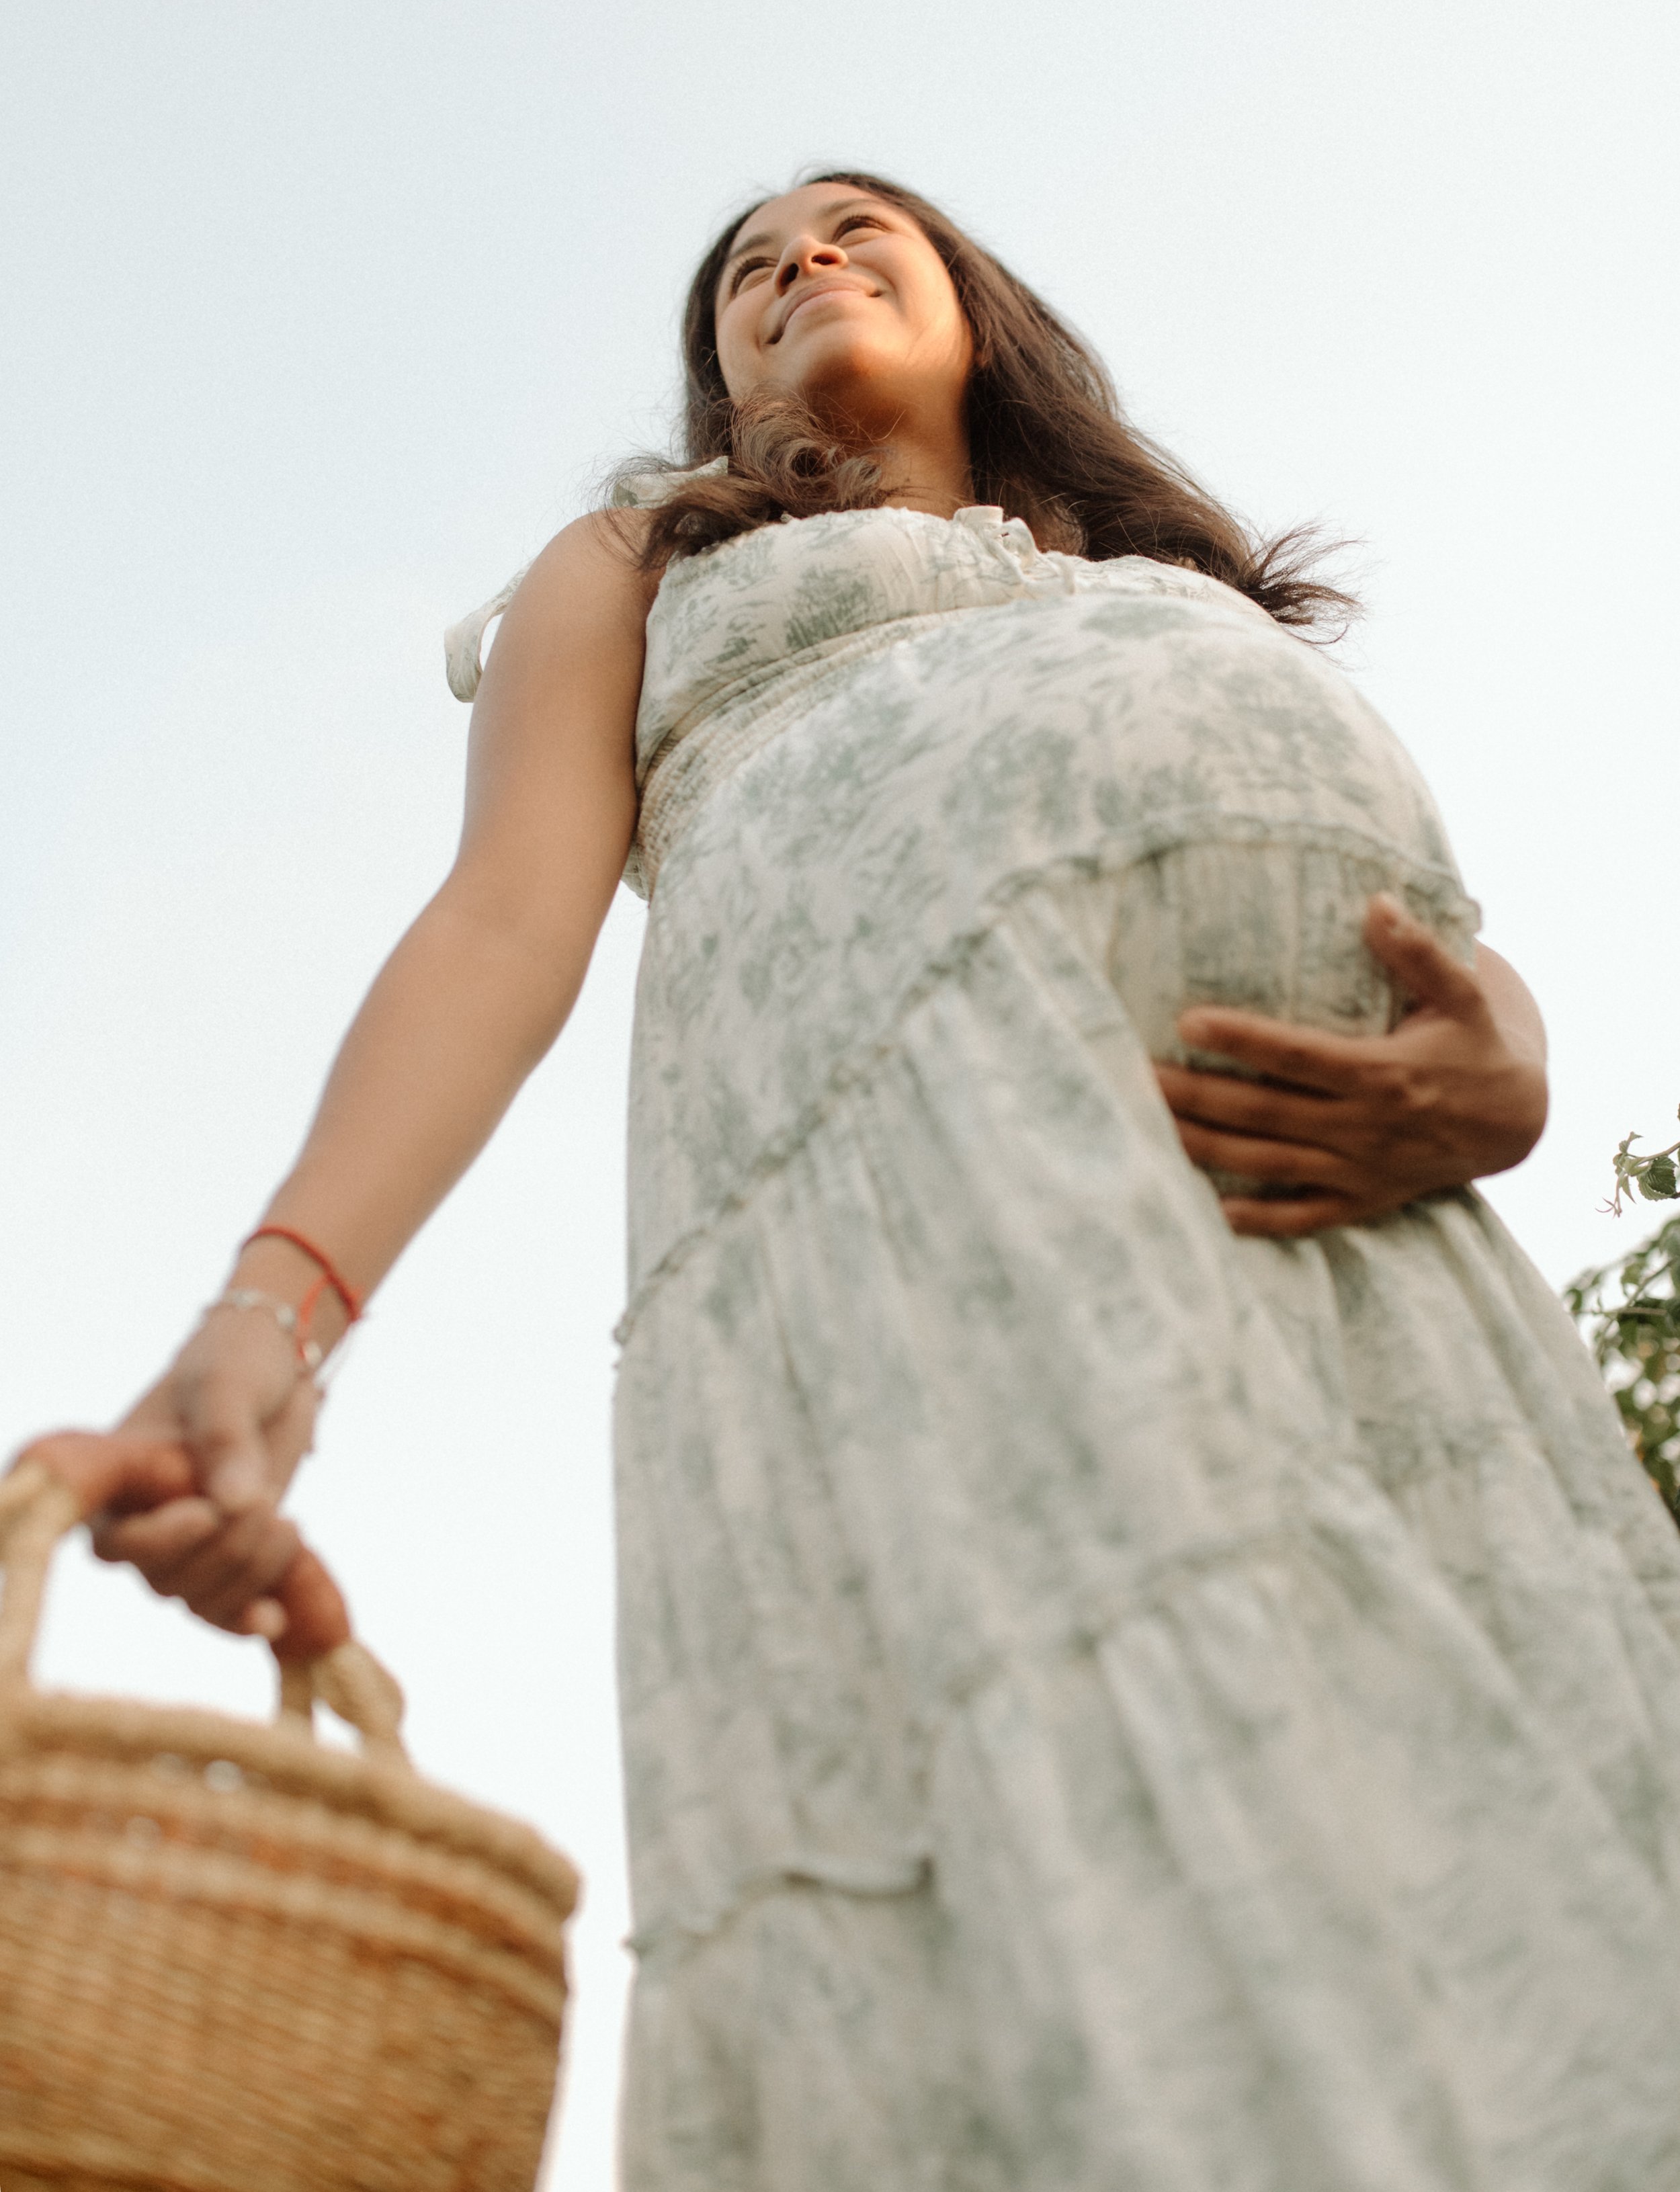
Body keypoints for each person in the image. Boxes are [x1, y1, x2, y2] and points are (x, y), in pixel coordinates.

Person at [85, 173, 1680, 2188]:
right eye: (747, 273)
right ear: (721, 374)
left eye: (853, 234)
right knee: (1064, 1870)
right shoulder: (639, 559)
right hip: (922, 1238)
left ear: (978, 315)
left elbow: (1426, 923)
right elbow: (501, 926)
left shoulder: (1161, 573)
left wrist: (1513, 1063)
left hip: (1339, 1276)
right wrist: (275, 1308)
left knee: (1484, 1862)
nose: (794, 268)